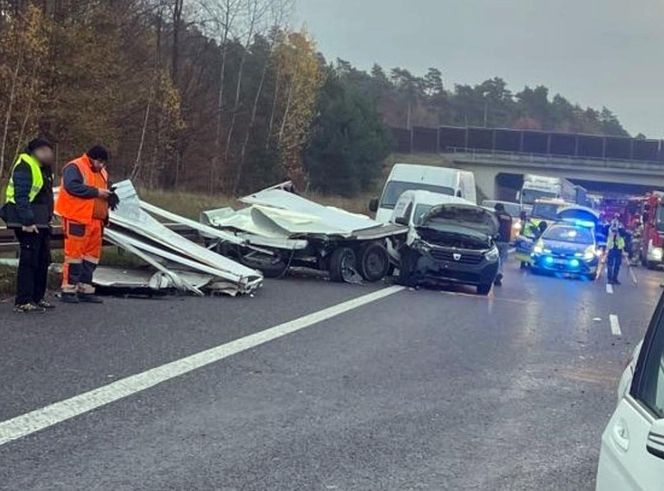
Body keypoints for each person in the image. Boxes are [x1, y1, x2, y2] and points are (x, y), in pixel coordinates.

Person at [55, 145, 118, 304]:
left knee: (91, 257)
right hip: (77, 218)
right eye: (100, 162)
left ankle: (85, 288)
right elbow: (72, 187)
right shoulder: (75, 167)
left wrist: (110, 196)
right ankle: (68, 290)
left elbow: (103, 189)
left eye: (104, 163)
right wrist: (97, 192)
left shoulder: (102, 172)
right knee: (74, 256)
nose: (102, 166)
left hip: (96, 220)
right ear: (92, 158)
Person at [0, 138, 55, 313]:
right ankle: (23, 300)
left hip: (41, 220)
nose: (48, 154)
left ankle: (37, 297)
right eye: (44, 150)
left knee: (43, 259)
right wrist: (28, 221)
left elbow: (45, 195)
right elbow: (21, 196)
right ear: (35, 151)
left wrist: (48, 216)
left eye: (49, 151)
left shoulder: (45, 169)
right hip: (26, 220)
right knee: (29, 260)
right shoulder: (25, 166)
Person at [493, 202, 513, 286]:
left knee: (494, 259)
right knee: (501, 259)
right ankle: (499, 273)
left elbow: (493, 225)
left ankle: (495, 274)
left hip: (497, 240)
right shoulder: (509, 216)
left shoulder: (495, 215)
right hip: (506, 241)